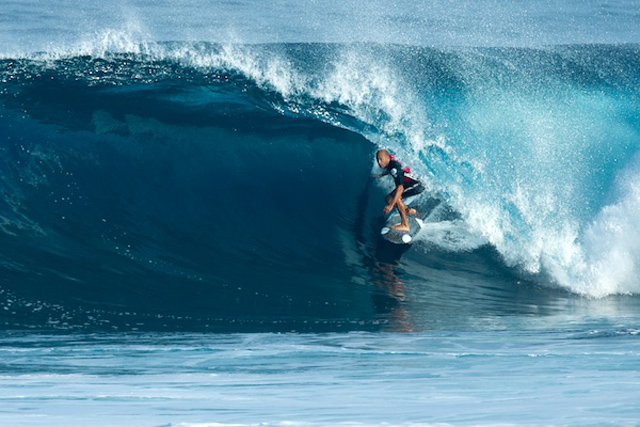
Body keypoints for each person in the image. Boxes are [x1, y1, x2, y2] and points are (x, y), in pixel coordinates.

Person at [375, 149, 425, 231]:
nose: (379, 162)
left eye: (381, 160)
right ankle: (410, 211)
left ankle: (405, 225)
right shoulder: (390, 162)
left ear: (386, 158)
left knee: (396, 197)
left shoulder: (393, 167)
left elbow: (400, 188)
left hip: (417, 184)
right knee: (388, 199)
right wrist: (380, 175)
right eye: (378, 160)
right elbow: (395, 170)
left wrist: (391, 206)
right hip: (412, 183)